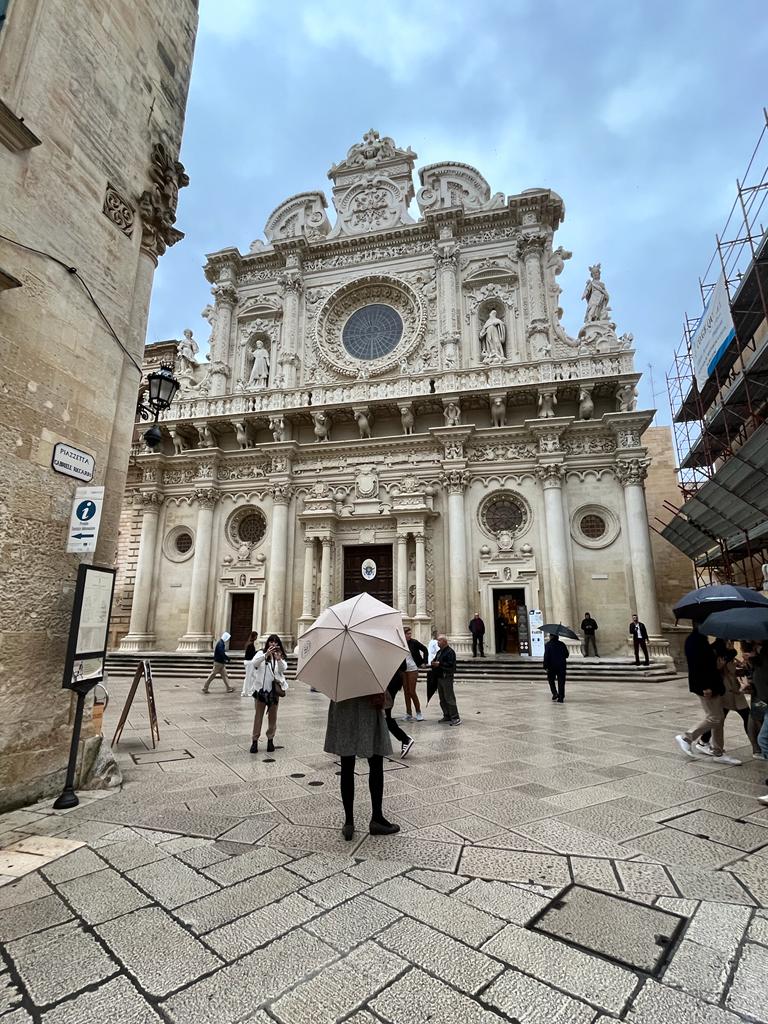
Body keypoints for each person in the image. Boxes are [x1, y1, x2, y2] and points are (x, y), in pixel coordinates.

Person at [324, 692, 401, 840]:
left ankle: (349, 823)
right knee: (376, 763)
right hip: (369, 706)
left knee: (346, 766)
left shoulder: (339, 671)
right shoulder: (370, 669)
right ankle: (377, 818)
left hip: (343, 705)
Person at [675, 623, 741, 765]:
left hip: (712, 685)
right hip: (707, 687)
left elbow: (708, 663)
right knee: (715, 717)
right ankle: (687, 737)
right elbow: (697, 666)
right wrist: (705, 686)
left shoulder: (700, 639)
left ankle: (718, 751)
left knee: (718, 717)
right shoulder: (695, 641)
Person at [696, 646, 761, 758]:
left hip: (733, 690)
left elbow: (734, 671)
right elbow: (719, 670)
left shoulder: (729, 653)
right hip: (726, 690)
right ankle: (757, 748)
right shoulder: (719, 653)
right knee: (722, 718)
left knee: (741, 716)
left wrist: (743, 664)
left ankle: (703, 741)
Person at [249, 634, 288, 753]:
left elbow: (283, 669)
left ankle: (270, 740)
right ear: (268, 643)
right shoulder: (261, 654)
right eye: (271, 642)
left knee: (273, 718)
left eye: (275, 642)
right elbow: (254, 664)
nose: (273, 644)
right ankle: (255, 741)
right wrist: (265, 655)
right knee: (258, 717)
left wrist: (279, 659)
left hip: (273, 693)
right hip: (261, 691)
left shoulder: (278, 657)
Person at [384, 665, 415, 757]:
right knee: (383, 717)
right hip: (388, 685)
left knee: (385, 717)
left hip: (388, 687)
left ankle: (405, 739)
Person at [431, 634, 460, 725]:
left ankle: (455, 717)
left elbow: (451, 665)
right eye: (437, 640)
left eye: (439, 640)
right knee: (442, 697)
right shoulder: (439, 652)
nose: (437, 642)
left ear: (444, 641)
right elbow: (436, 660)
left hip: (446, 676)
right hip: (440, 677)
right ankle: (447, 715)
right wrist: (433, 662)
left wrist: (439, 664)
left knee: (449, 697)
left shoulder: (450, 652)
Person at [402, 626, 428, 721]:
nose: (409, 635)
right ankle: (408, 713)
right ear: (403, 634)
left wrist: (424, 662)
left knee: (412, 691)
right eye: (407, 634)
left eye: (410, 634)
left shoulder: (414, 642)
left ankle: (418, 712)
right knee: (406, 692)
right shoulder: (400, 643)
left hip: (413, 668)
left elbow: (425, 649)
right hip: (403, 669)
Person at [543, 632, 569, 703]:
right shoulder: (562, 644)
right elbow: (567, 654)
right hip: (561, 666)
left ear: (551, 637)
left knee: (551, 680)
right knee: (561, 682)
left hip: (551, 666)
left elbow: (546, 656)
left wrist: (545, 666)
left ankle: (554, 693)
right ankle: (561, 697)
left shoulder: (548, 645)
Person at [241, 631, 258, 697]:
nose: (256, 637)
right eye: (256, 636)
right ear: (254, 636)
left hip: (248, 662)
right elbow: (251, 654)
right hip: (249, 662)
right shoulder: (250, 644)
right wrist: (257, 652)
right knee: (248, 677)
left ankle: (251, 690)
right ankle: (245, 692)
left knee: (253, 676)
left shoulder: (249, 643)